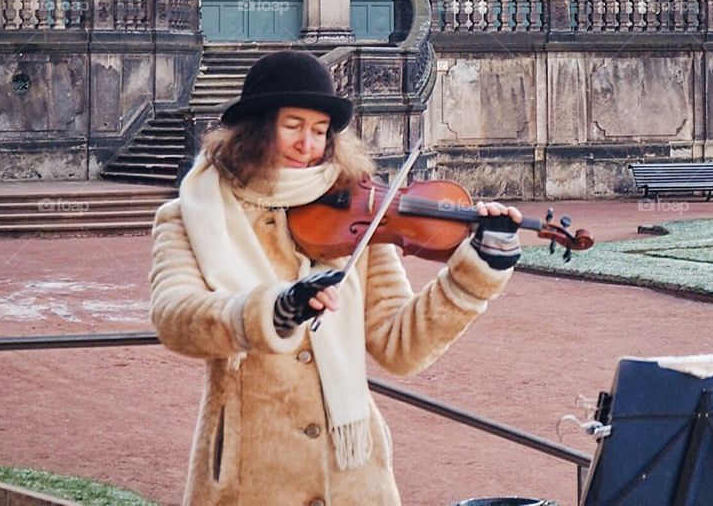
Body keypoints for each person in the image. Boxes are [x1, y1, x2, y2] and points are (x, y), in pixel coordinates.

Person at [150, 50, 522, 506]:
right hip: (249, 477)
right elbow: (175, 317)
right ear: (257, 127)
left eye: (320, 130)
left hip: (353, 478)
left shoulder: (360, 212)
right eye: (293, 126)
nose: (308, 145)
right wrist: (275, 308)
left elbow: (400, 345)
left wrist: (474, 275)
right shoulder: (190, 216)